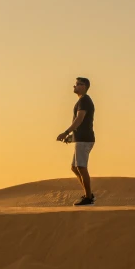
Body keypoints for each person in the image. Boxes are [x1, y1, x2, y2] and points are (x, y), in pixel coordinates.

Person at [56, 77, 95, 206]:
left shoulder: (84, 100)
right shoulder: (82, 101)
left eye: (79, 84)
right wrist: (72, 137)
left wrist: (66, 132)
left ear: (84, 87)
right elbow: (82, 123)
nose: (75, 86)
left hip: (85, 139)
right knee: (74, 167)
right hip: (81, 139)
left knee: (81, 167)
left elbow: (79, 119)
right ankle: (88, 193)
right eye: (76, 84)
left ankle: (88, 197)